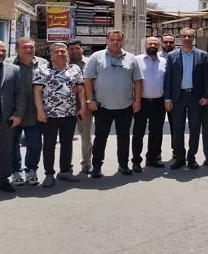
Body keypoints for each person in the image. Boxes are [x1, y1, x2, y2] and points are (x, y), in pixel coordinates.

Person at [84, 30, 142, 177]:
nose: (115, 42)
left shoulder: (131, 58)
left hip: (125, 106)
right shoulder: (96, 57)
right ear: (107, 40)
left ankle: (123, 165)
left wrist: (137, 100)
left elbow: (137, 81)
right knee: (100, 138)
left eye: (118, 39)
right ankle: (97, 167)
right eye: (112, 39)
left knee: (124, 137)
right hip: (103, 106)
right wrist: (90, 100)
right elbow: (88, 80)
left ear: (123, 41)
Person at [34, 43, 86, 187]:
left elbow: (80, 89)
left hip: (69, 113)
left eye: (63, 51)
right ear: (51, 55)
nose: (61, 53)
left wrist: (82, 107)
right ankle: (49, 174)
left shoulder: (74, 69)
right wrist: (40, 111)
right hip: (49, 114)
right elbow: (37, 91)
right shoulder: (42, 69)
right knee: (49, 145)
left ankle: (65, 171)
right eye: (57, 52)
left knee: (67, 144)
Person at [164, 28, 208, 170]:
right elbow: (168, 78)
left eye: (189, 36)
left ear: (193, 38)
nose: (187, 38)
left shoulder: (202, 55)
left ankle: (191, 157)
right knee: (178, 129)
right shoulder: (172, 56)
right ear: (180, 38)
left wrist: (206, 95)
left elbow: (206, 77)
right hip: (178, 97)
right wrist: (167, 98)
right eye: (184, 36)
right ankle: (179, 158)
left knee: (195, 128)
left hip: (196, 97)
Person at [0, 40, 25, 193]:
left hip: (5, 117)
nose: (1, 53)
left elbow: (20, 93)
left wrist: (18, 114)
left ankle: (3, 179)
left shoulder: (13, 69)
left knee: (5, 151)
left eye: (3, 50)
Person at [6, 37, 48, 187]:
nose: (29, 50)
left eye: (31, 47)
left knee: (35, 145)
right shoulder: (7, 64)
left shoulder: (43, 63)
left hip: (35, 112)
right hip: (13, 113)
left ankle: (31, 170)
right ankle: (15, 171)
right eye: (25, 47)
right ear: (17, 49)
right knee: (12, 144)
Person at [132, 36, 167, 172]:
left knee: (156, 133)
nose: (152, 46)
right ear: (145, 45)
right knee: (138, 133)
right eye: (150, 43)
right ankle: (136, 161)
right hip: (141, 102)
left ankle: (152, 158)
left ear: (159, 46)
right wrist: (135, 100)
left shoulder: (164, 61)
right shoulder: (137, 60)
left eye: (155, 44)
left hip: (158, 102)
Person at [67, 39, 92, 174]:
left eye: (77, 48)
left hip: (85, 105)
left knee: (86, 135)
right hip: (66, 106)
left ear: (82, 48)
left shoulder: (90, 62)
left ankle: (86, 163)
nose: (75, 51)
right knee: (66, 137)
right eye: (71, 49)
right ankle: (66, 165)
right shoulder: (62, 63)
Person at [159, 33, 176, 160]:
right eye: (165, 42)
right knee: (157, 127)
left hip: (174, 97)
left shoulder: (178, 56)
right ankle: (156, 153)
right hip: (158, 97)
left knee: (175, 126)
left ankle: (176, 151)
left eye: (171, 42)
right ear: (161, 43)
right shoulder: (155, 57)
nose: (168, 44)